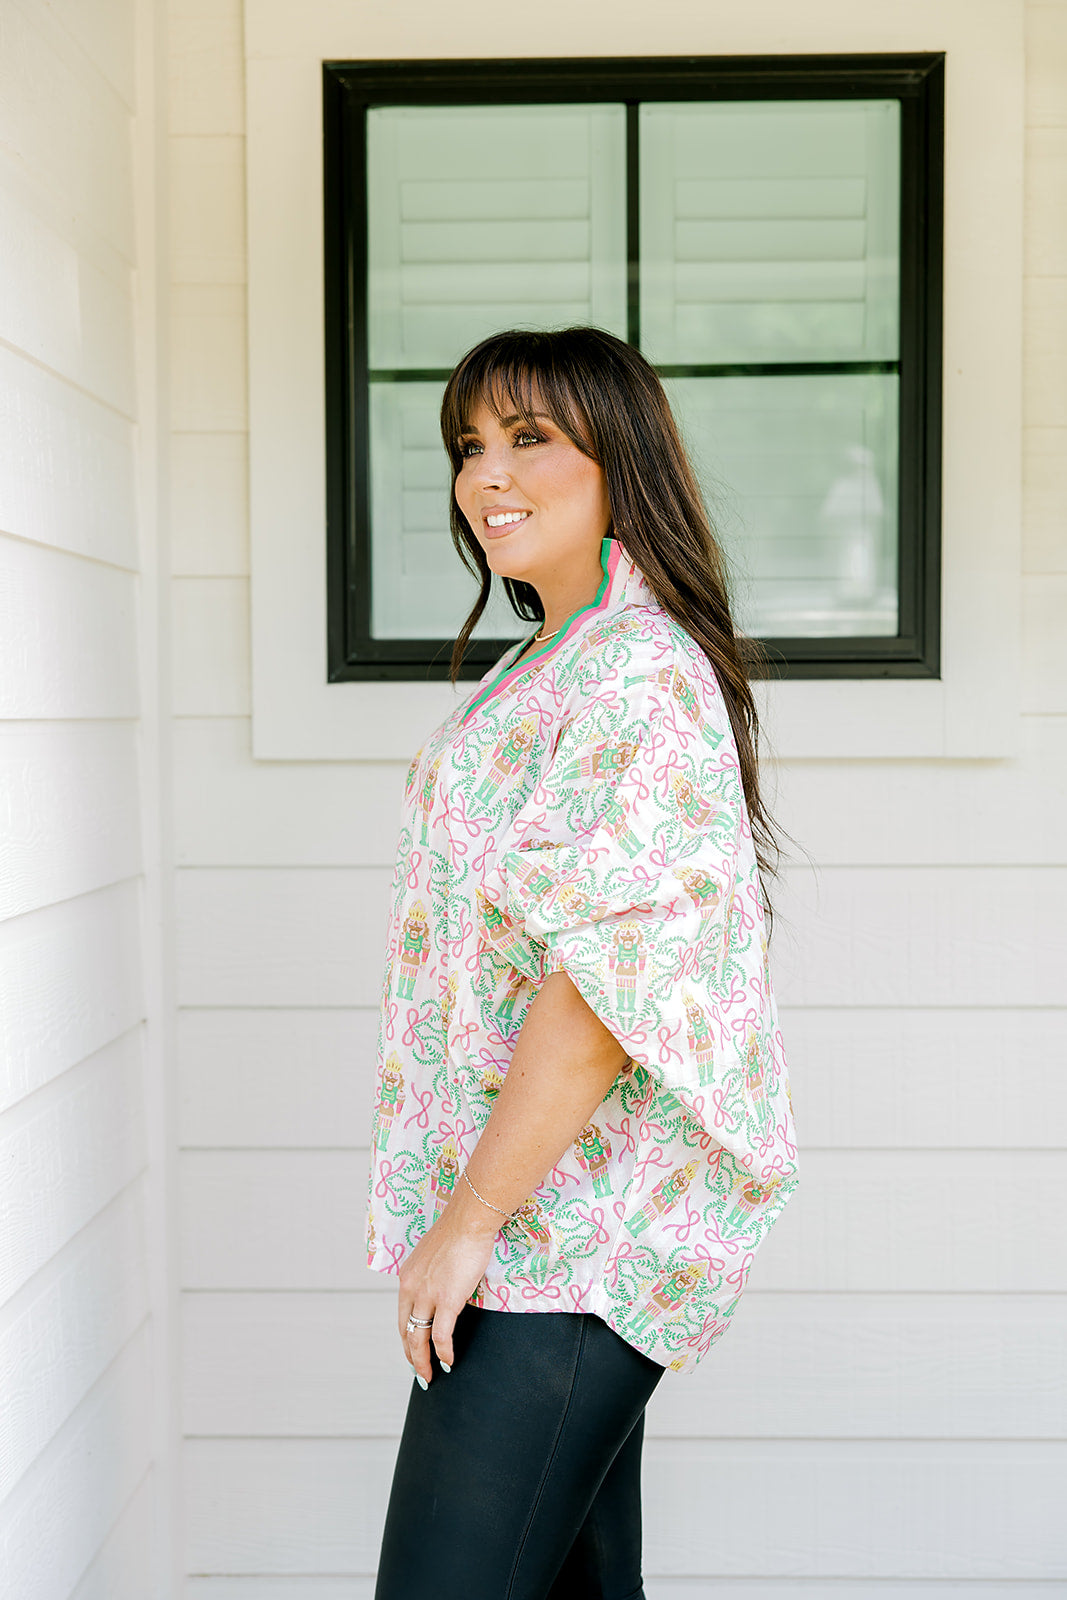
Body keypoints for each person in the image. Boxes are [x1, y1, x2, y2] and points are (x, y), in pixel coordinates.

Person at [367, 327, 800, 1600]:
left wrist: (467, 1222)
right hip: (537, 1232)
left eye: (527, 439)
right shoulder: (548, 660)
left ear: (620, 459)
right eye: (468, 446)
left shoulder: (636, 676)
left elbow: (603, 996)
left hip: (569, 1243)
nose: (485, 474)